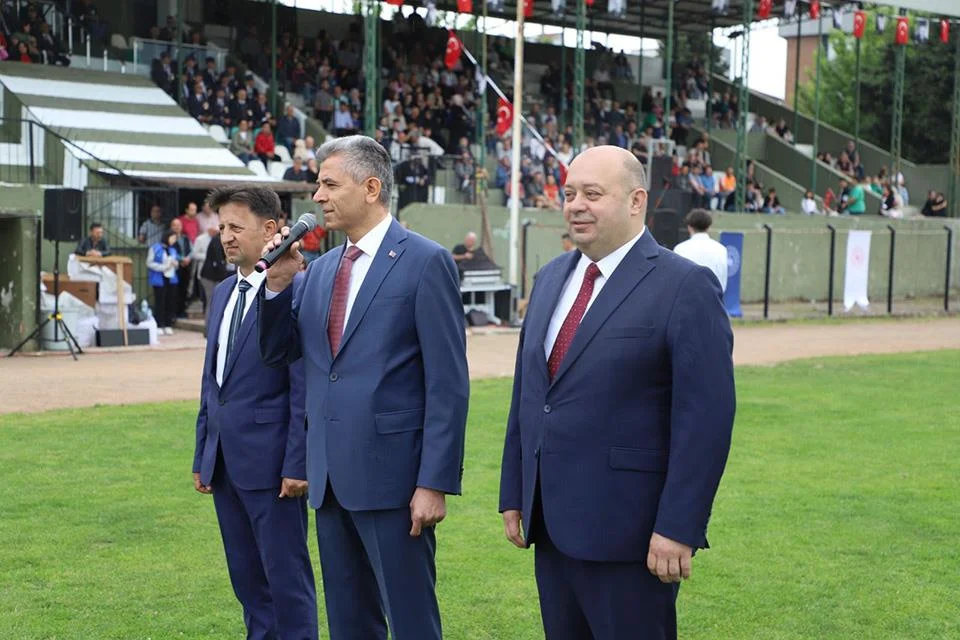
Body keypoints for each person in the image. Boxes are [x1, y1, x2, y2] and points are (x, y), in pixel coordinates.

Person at [499, 146, 735, 640]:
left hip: (632, 537)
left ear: (635, 201)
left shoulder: (684, 286)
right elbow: (531, 394)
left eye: (591, 194)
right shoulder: (549, 279)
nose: (575, 205)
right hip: (553, 528)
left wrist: (678, 527)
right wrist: (515, 492)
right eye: (568, 194)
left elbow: (705, 421)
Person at [258, 135, 469, 640]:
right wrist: (275, 287)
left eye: (329, 184)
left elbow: (448, 383)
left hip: (396, 483)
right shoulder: (319, 270)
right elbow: (277, 354)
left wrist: (433, 482)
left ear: (371, 187)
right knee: (350, 624)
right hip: (330, 480)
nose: (317, 196)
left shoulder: (424, 261)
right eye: (317, 185)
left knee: (412, 621)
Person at [193, 186, 318, 640]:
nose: (225, 236)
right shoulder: (224, 292)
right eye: (221, 227)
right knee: (247, 582)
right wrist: (203, 455)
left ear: (270, 229)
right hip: (225, 463)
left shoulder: (299, 290)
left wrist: (297, 462)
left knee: (286, 582)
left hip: (273, 468)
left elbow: (302, 386)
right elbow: (214, 383)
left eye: (235, 227)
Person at [672, 209, 729, 293]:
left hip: (687, 299)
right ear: (708, 227)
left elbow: (676, 279)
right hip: (713, 300)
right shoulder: (721, 249)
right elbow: (723, 281)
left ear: (689, 227)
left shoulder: (680, 249)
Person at [146, 229, 180, 335]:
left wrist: (175, 264)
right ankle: (159, 324)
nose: (173, 241)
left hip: (171, 278)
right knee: (160, 301)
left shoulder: (173, 249)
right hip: (159, 278)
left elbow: (176, 262)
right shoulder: (155, 248)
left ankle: (168, 323)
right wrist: (162, 267)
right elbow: (149, 262)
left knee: (170, 301)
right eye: (172, 238)